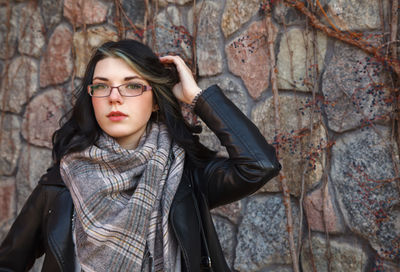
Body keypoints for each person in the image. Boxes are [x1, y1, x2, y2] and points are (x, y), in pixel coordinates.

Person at [0, 39, 280, 272]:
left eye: (132, 85)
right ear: (92, 98)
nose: (114, 97)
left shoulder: (185, 177)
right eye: (101, 86)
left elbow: (259, 165)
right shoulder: (59, 184)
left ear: (156, 100)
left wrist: (197, 97)